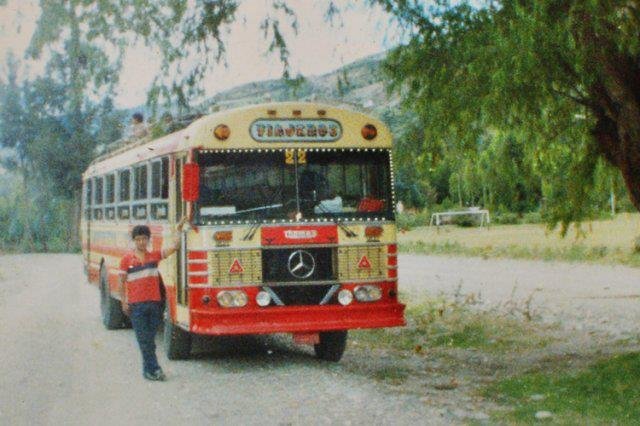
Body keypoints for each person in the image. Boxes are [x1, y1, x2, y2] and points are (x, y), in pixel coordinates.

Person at [118, 218, 186, 381]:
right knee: (145, 340)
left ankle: (147, 370)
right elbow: (121, 282)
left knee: (150, 340)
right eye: (138, 239)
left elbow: (174, 247)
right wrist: (123, 301)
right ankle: (154, 369)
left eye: (144, 239)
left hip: (154, 304)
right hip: (136, 306)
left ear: (149, 240)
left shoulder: (154, 256)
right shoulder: (126, 260)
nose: (141, 242)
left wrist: (178, 229)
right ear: (134, 241)